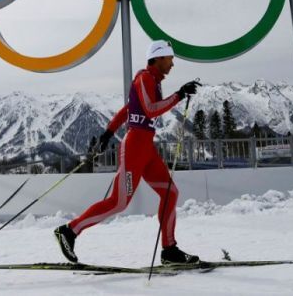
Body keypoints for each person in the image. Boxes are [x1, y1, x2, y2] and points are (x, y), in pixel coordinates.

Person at [54, 40, 201, 265]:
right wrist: (180, 94)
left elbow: (128, 109)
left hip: (147, 149)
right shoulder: (144, 78)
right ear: (158, 57)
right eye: (170, 58)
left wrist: (108, 133)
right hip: (134, 148)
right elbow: (151, 111)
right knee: (118, 202)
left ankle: (169, 250)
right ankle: (69, 231)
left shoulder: (153, 81)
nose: (173, 63)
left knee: (170, 193)